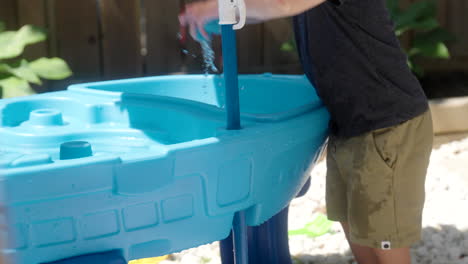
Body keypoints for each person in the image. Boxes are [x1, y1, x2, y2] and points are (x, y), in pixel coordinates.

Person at [179, 0, 433, 263]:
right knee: (358, 230)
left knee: (383, 239)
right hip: (349, 125)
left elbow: (283, 4)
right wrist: (224, 13)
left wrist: (218, 7)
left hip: (387, 125)